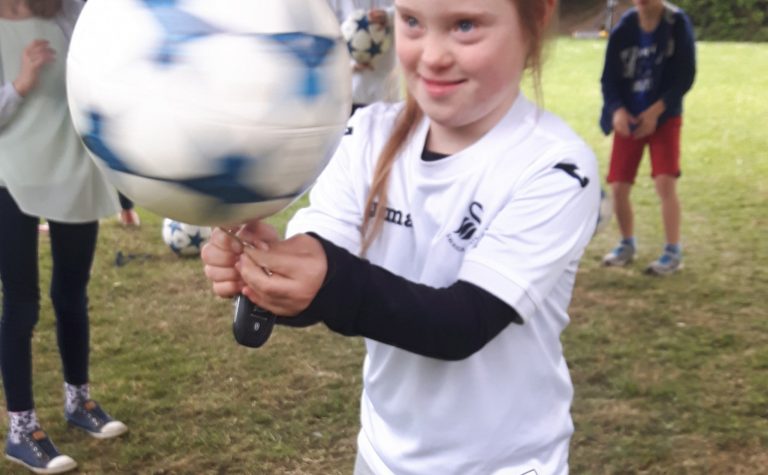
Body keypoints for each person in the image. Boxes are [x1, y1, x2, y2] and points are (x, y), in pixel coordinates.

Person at [203, 0, 599, 473]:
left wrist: (324, 281)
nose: (431, 54)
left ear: (535, 20)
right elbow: (324, 263)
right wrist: (267, 274)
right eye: (412, 21)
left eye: (465, 25)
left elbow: (462, 323)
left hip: (504, 464)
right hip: (381, 454)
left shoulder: (555, 168)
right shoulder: (365, 134)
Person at [0, 0, 127, 473]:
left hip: (71, 170)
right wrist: (19, 85)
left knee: (72, 295)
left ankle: (79, 403)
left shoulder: (67, 12)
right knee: (21, 304)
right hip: (9, 177)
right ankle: (22, 430)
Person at [599, 0, 696, 275]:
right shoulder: (625, 27)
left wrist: (656, 112)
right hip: (629, 118)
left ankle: (672, 251)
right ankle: (627, 244)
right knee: (618, 186)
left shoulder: (676, 23)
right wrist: (617, 110)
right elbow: (608, 79)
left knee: (665, 182)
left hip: (664, 118)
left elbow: (685, 77)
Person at [328, 0, 401, 114]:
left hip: (384, 93)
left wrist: (389, 15)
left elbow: (413, 13)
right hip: (345, 94)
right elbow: (322, 37)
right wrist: (345, 64)